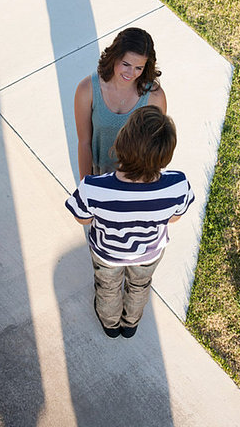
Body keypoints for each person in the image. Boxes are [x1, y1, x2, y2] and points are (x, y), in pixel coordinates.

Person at [65, 106, 195, 339]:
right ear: (166, 156)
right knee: (139, 286)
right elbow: (175, 217)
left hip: (107, 254)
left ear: (120, 144)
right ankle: (130, 322)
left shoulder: (94, 188)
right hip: (149, 252)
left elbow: (81, 218)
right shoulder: (177, 184)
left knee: (108, 288)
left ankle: (110, 323)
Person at [74, 27, 167, 180]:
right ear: (114, 57)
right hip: (99, 177)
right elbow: (84, 143)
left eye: (139, 68)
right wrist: (85, 186)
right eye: (126, 64)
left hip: (136, 181)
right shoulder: (87, 89)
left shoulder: (155, 97)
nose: (131, 73)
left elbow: (155, 150)